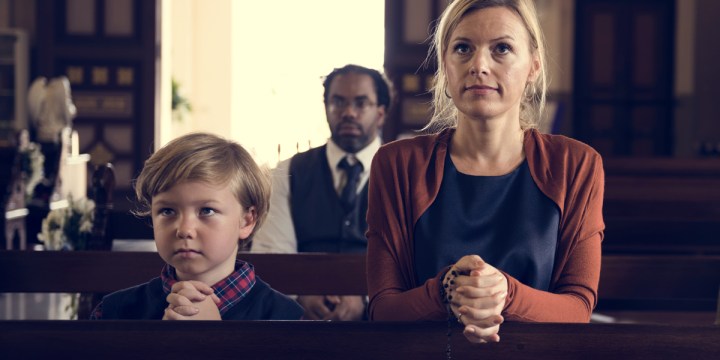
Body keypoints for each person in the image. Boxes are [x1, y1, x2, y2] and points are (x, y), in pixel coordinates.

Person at [366, 0, 604, 344]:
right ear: (445, 65)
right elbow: (383, 309)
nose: (478, 65)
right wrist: (450, 287)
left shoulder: (577, 164)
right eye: (462, 48)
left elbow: (578, 309)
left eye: (502, 49)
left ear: (533, 67)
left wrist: (505, 293)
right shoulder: (396, 164)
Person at [91, 133, 303, 320]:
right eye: (167, 211)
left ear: (247, 220)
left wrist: (211, 342)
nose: (184, 229)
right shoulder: (112, 313)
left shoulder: (288, 320)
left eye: (206, 211)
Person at [251, 64, 394, 321]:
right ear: (326, 108)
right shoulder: (288, 172)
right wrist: (300, 295)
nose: (348, 113)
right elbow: (272, 254)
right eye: (338, 102)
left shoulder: (403, 173)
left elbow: (412, 258)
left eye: (361, 103)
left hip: (380, 323)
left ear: (381, 113)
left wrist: (364, 298)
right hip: (300, 320)